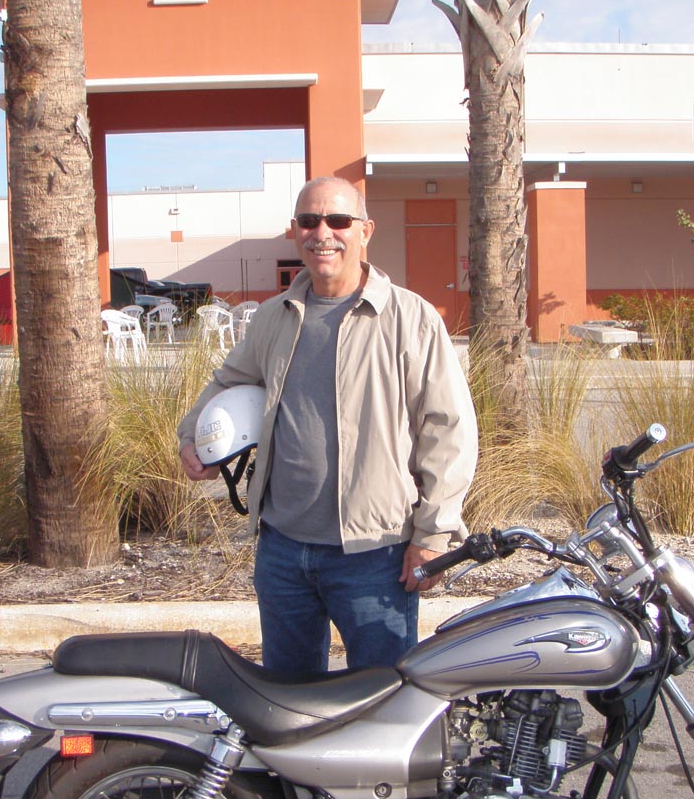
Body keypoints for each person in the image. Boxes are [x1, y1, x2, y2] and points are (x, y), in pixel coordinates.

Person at [177, 176, 477, 676]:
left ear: (365, 231)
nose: (323, 233)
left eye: (338, 220)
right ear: (294, 230)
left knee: (381, 698)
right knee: (288, 700)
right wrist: (194, 437)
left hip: (376, 554)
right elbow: (227, 382)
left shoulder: (410, 318)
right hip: (283, 550)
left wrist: (433, 533)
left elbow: (449, 430)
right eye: (309, 221)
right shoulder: (274, 317)